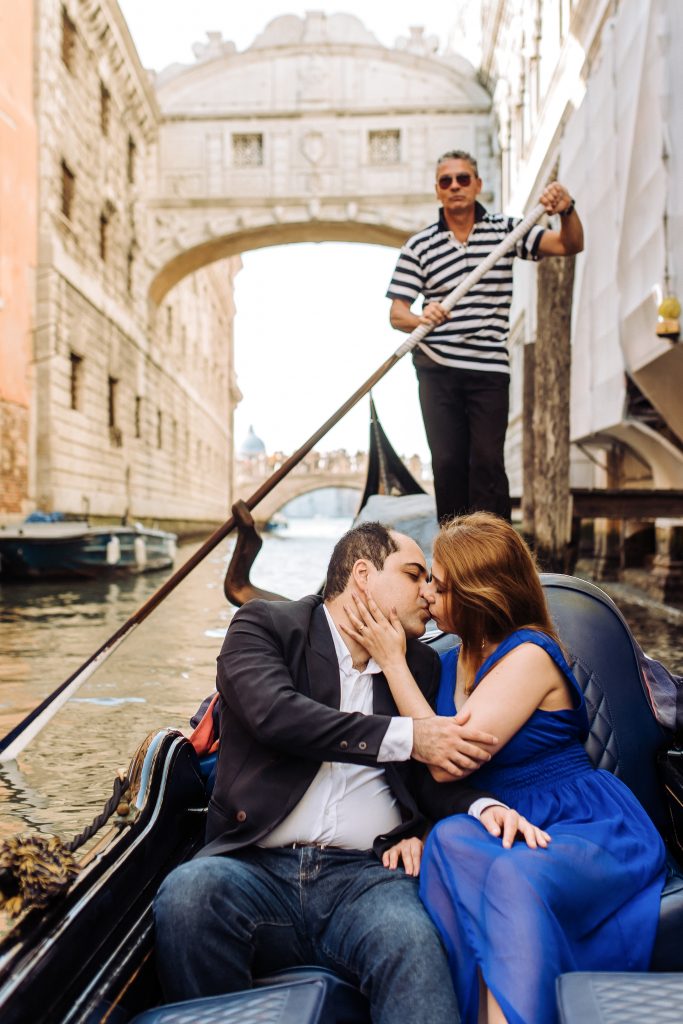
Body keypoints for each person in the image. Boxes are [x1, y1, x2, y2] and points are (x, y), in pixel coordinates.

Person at [154, 521, 549, 1024]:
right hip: (255, 866)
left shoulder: (420, 666)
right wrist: (407, 736)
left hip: (368, 876)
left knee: (412, 939)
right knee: (189, 896)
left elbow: (428, 777)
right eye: (414, 574)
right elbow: (276, 715)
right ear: (363, 575)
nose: (429, 593)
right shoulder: (266, 626)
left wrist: (475, 809)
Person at [342, 512, 667, 1024]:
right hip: (498, 820)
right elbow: (408, 758)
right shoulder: (446, 663)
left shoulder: (530, 654)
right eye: (424, 580)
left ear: (479, 596)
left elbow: (448, 763)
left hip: (578, 824)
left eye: (440, 586)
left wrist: (394, 661)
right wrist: (411, 830)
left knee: (512, 875)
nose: (427, 594)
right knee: (447, 843)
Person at [387, 150, 584, 522]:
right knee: (447, 463)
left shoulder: (508, 232)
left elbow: (568, 245)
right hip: (437, 367)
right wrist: (420, 317)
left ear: (478, 184)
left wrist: (567, 209)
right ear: (438, 191)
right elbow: (397, 314)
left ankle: (495, 553)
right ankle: (452, 554)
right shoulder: (419, 246)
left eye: (463, 179)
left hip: (489, 367)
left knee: (488, 463)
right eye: (447, 181)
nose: (456, 186)